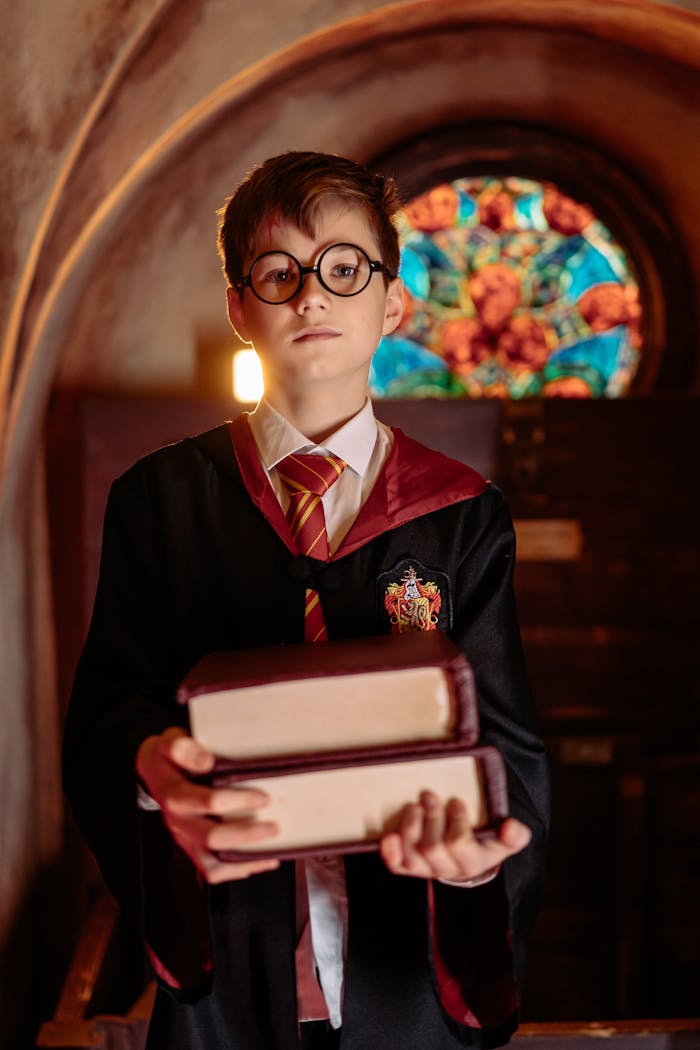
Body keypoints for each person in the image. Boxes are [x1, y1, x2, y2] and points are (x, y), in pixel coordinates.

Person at [62, 151, 550, 1050]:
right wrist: (149, 770)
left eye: (343, 268)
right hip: (233, 974)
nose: (311, 297)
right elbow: (107, 712)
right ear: (240, 311)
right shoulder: (161, 501)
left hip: (400, 976)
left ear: (392, 303)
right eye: (278, 274)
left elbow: (507, 744)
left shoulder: (461, 516)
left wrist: (478, 859)